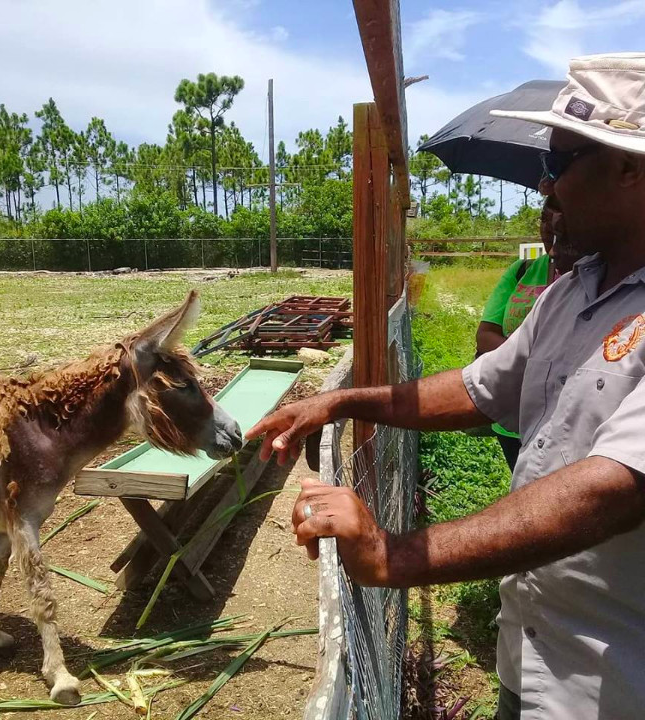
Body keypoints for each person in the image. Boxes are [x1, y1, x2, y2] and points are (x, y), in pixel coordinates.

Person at [246, 53, 645, 719]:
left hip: (616, 680)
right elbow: (479, 390)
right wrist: (341, 399)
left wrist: (394, 554)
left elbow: (613, 489)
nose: (546, 190)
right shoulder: (571, 295)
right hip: (534, 652)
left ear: (629, 168)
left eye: (560, 165)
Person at [476, 198, 582, 470]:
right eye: (543, 219)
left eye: (557, 217)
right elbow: (486, 335)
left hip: (567, 420)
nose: (549, 226)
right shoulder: (522, 270)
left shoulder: (596, 277)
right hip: (513, 414)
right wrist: (540, 365)